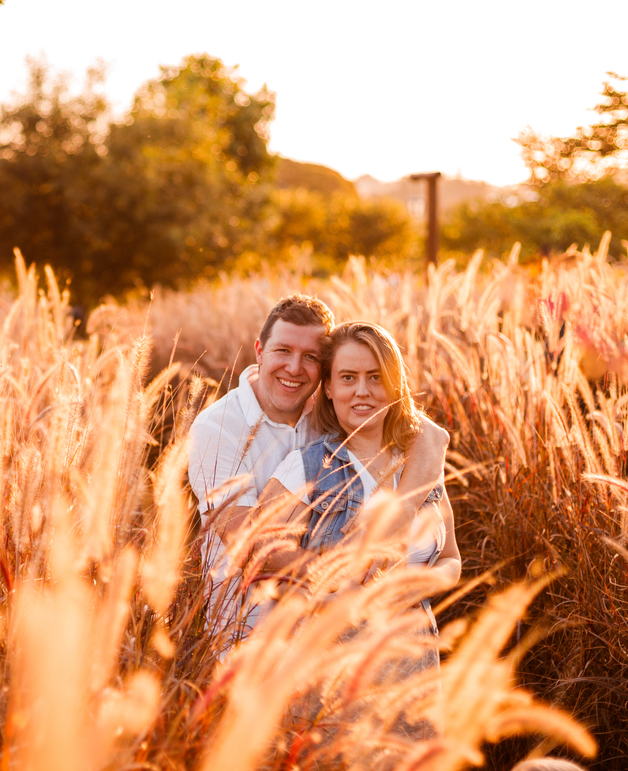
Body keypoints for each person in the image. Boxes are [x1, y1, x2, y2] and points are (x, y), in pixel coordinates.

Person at [187, 297, 449, 643]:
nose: (295, 368)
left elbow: (432, 435)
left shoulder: (326, 409)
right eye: (283, 351)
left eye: (310, 356)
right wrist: (352, 577)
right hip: (242, 628)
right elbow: (253, 544)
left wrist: (399, 517)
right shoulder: (218, 428)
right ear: (259, 351)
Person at [257, 320, 461, 744]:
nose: (362, 391)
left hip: (413, 668)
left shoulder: (422, 466)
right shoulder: (307, 469)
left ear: (394, 384)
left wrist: (416, 584)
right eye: (347, 378)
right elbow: (263, 558)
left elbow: (451, 560)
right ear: (328, 388)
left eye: (375, 378)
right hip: (329, 671)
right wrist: (330, 594)